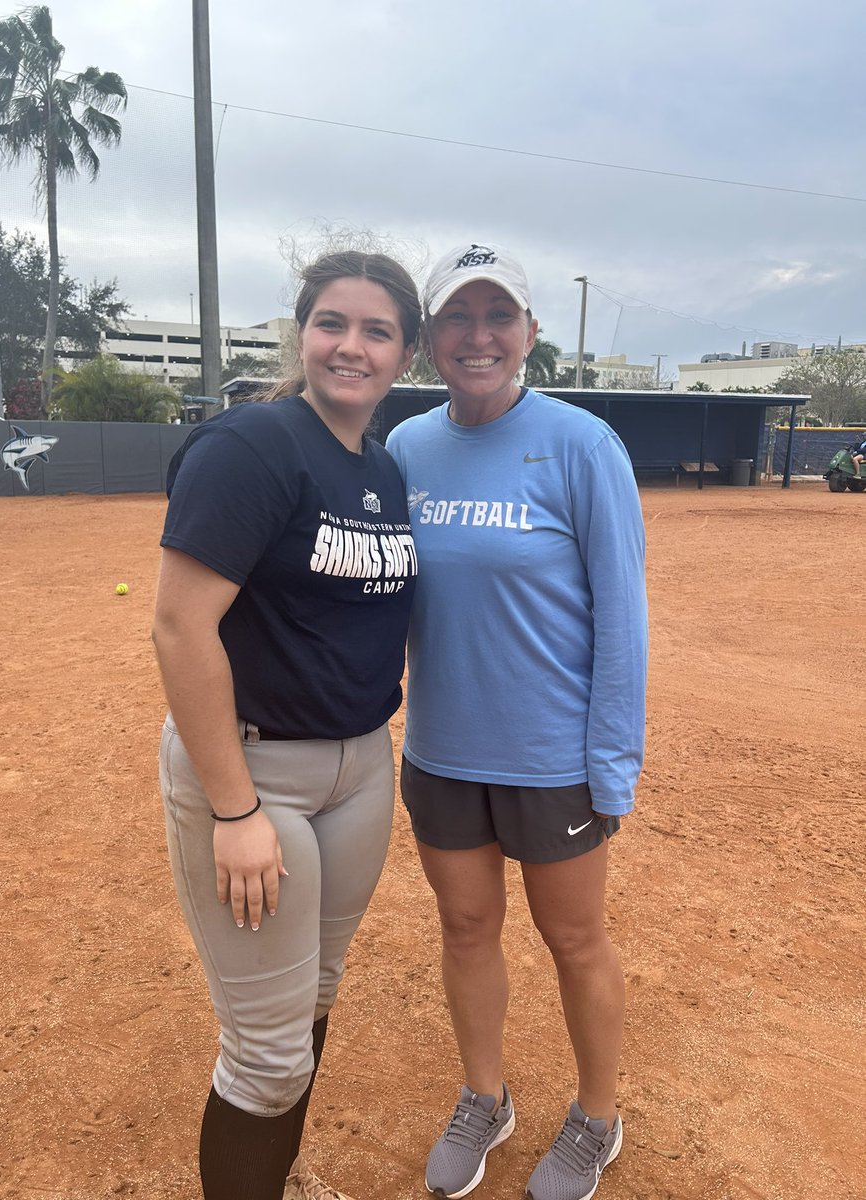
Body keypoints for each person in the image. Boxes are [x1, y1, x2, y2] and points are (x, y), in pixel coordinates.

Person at [152, 250, 419, 1200]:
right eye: (332, 323)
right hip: (256, 774)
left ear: (404, 352)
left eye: (376, 330)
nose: (351, 346)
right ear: (301, 334)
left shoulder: (382, 464)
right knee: (265, 1055)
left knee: (314, 1000)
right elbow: (181, 625)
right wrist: (233, 811)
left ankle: (275, 1182)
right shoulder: (253, 445)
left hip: (359, 770)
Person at [385, 243, 647, 1200]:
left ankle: (596, 1118)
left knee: (575, 940)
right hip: (443, 753)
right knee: (465, 928)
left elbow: (622, 615)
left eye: (500, 316)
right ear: (430, 340)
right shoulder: (407, 447)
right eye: (458, 317)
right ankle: (484, 1096)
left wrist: (611, 762)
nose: (479, 335)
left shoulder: (583, 445)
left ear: (530, 333)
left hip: (553, 759)